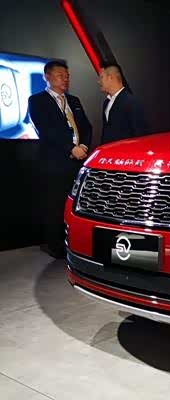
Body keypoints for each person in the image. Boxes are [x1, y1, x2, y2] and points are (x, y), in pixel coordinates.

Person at [29, 60, 92, 259]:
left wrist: (83, 147)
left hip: (77, 162)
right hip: (54, 163)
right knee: (55, 205)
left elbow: (87, 127)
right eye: (60, 75)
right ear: (47, 77)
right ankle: (56, 247)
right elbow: (46, 130)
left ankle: (75, 243)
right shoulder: (37, 101)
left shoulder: (74, 100)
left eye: (67, 76)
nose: (65, 79)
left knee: (76, 206)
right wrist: (70, 148)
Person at [97, 63, 147, 144]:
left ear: (110, 78)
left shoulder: (131, 102)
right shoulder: (106, 103)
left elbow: (140, 134)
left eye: (101, 77)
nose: (99, 81)